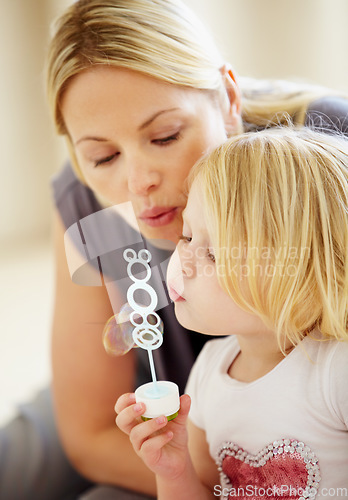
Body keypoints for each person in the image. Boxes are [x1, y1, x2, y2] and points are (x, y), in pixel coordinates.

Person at [0, 0, 347, 499]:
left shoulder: (325, 155)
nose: (139, 182)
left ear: (228, 98)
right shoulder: (87, 207)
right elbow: (92, 434)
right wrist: (189, 471)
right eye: (102, 155)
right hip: (155, 399)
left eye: (164, 136)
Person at [115, 127, 348, 499]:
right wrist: (174, 471)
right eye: (188, 236)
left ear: (306, 274)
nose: (183, 262)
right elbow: (209, 491)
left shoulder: (335, 372)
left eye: (215, 253)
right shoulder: (208, 370)